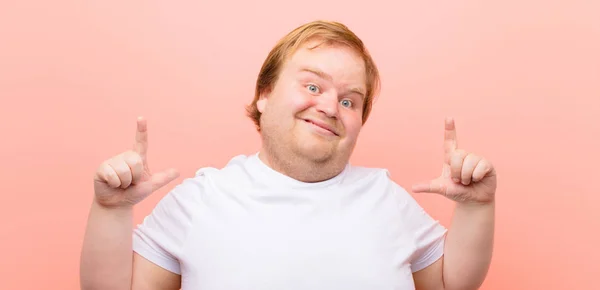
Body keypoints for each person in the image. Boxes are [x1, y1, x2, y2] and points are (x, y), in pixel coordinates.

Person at [80, 20, 496, 290]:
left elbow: (449, 284)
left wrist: (478, 208)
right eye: (313, 87)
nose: (332, 107)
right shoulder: (200, 200)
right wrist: (111, 210)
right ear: (264, 95)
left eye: (351, 101)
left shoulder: (387, 199)